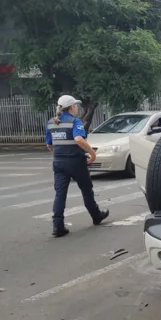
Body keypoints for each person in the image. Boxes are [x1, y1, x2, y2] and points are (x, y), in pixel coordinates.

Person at [45, 95, 109, 237]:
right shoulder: (75, 121)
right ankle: (96, 216)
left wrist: (59, 154)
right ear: (72, 107)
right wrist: (92, 154)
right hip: (75, 162)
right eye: (76, 105)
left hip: (59, 163)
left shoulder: (51, 122)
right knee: (87, 190)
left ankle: (58, 226)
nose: (77, 107)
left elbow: (49, 145)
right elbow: (79, 139)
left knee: (60, 195)